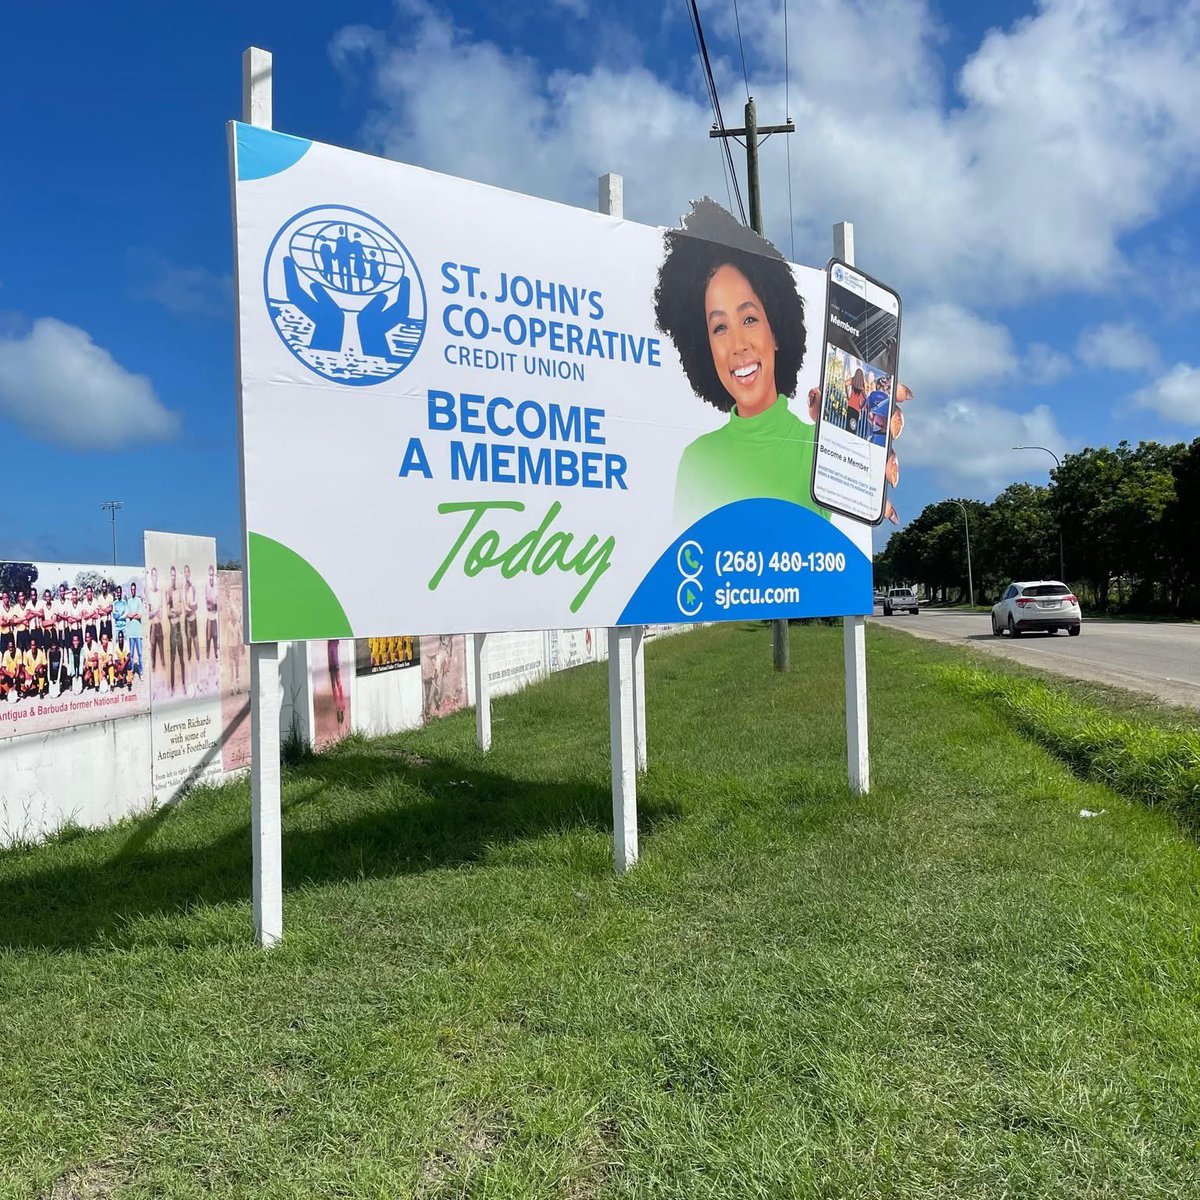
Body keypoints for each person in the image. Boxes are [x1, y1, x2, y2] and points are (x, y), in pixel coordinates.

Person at [654, 199, 830, 527]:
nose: (737, 346)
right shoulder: (698, 461)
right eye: (719, 327)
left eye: (749, 319)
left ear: (776, 328)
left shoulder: (818, 448)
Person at [166, 566, 186, 695]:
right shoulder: (168, 591)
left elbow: (181, 610)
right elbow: (168, 613)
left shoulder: (178, 591)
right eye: (171, 575)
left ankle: (184, 685)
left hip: (178, 628)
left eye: (175, 575)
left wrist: (175, 611)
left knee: (182, 659)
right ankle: (172, 688)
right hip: (172, 629)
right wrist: (173, 611)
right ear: (170, 576)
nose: (173, 578)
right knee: (172, 660)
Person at [146, 568, 165, 674]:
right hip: (152, 626)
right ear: (151, 577)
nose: (154, 578)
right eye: (153, 575)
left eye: (156, 576)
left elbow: (161, 615)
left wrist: (155, 611)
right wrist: (156, 610)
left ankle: (163, 671)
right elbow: (149, 615)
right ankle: (153, 672)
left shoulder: (159, 594)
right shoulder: (149, 593)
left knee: (162, 651)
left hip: (159, 625)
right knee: (152, 651)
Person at [125, 581, 144, 677]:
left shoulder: (139, 600)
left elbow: (140, 616)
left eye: (134, 589)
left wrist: (133, 615)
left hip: (138, 632)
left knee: (140, 654)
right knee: (131, 654)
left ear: (136, 590)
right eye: (131, 589)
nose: (133, 591)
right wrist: (133, 614)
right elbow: (127, 615)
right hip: (131, 632)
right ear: (130, 590)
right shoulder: (128, 601)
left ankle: (141, 672)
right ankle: (131, 672)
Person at [183, 565, 199, 664]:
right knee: (188, 639)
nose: (187, 574)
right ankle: (189, 659)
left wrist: (191, 606)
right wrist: (189, 607)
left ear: (190, 573)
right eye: (185, 572)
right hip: (187, 618)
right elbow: (185, 605)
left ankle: (198, 659)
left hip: (193, 617)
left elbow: (196, 603)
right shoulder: (183, 588)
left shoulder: (193, 586)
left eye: (188, 571)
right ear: (184, 574)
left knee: (195, 639)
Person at [204, 565, 219, 660]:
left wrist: (212, 602)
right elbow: (208, 604)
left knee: (215, 636)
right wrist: (212, 602)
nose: (211, 577)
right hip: (209, 617)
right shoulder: (206, 586)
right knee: (208, 637)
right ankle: (207, 655)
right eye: (210, 574)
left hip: (215, 616)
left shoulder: (216, 587)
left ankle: (216, 654)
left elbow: (216, 604)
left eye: (212, 574)